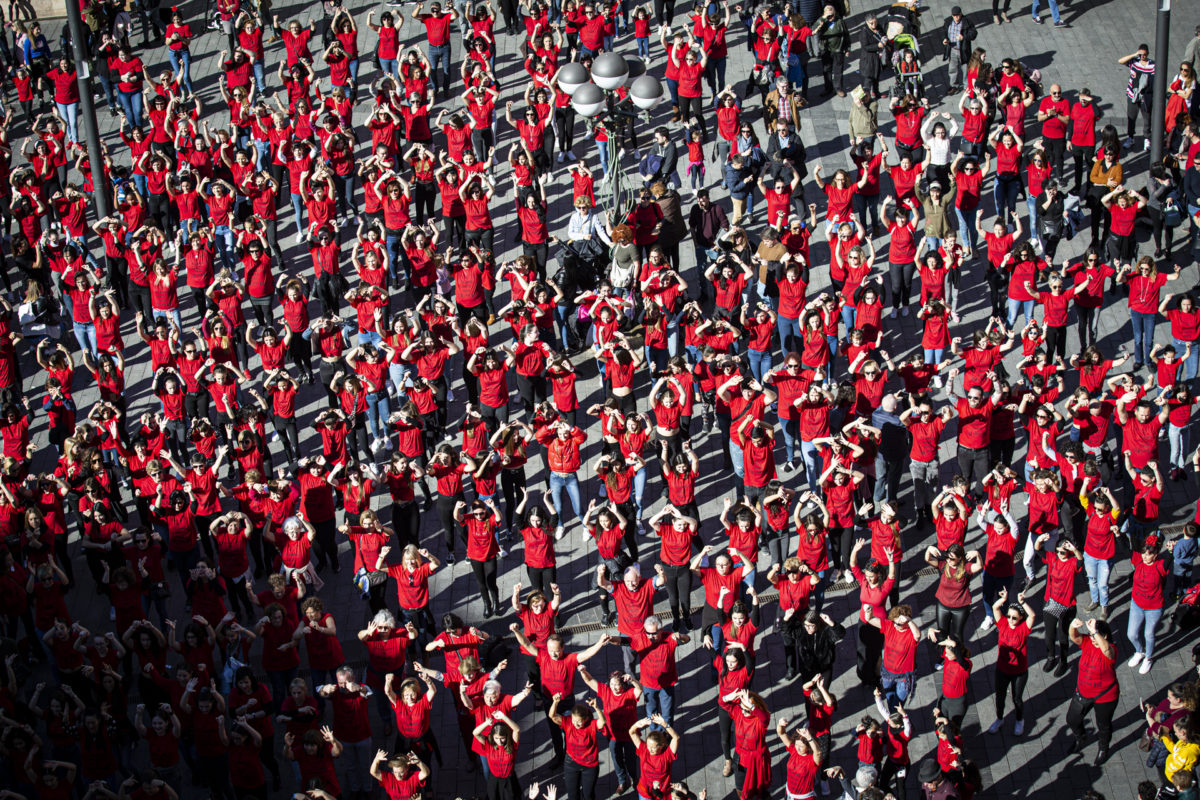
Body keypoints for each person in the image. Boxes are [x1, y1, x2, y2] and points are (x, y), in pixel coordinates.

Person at [1065, 617, 1120, 766]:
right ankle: (1080, 737)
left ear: (1105, 636)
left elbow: (1107, 650)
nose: (1092, 638)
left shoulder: (1111, 649)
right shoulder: (1088, 642)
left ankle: (1103, 748)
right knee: (1072, 719)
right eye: (1091, 636)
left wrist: (1095, 632)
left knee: (1103, 725)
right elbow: (1074, 637)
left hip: (1105, 696)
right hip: (1083, 692)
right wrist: (1072, 626)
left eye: (1096, 636)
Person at [942, 7, 976, 92]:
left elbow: (973, 34)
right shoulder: (948, 21)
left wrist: (964, 37)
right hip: (952, 49)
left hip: (963, 50)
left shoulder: (967, 22)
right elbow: (945, 31)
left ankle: (966, 86)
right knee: (952, 69)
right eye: (954, 16)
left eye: (958, 15)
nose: (956, 17)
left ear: (961, 14)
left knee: (965, 69)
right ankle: (954, 86)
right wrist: (945, 39)